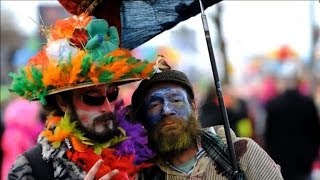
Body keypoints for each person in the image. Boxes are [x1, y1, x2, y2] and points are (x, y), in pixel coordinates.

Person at [7, 13, 156, 180]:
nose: (107, 107)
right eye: (92, 98)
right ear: (63, 102)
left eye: (112, 94)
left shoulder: (140, 154)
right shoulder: (32, 168)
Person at [131, 67, 284, 179]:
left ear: (193, 106)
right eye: (154, 105)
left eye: (176, 100)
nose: (166, 110)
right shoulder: (144, 175)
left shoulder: (242, 154)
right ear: (144, 118)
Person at [264, 61, 320, 180]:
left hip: (281, 162)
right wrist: (312, 154)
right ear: (297, 81)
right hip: (304, 162)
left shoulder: (274, 105)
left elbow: (269, 136)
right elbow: (315, 132)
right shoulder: (308, 104)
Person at [1, 98, 44, 180]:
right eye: (35, 117)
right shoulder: (16, 136)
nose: (37, 120)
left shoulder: (21, 133)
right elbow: (17, 162)